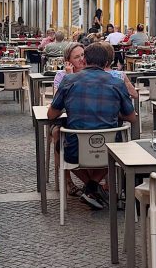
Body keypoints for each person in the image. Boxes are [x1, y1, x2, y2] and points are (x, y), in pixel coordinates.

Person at [48, 41, 137, 210]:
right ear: (106, 63)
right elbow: (131, 118)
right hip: (110, 151)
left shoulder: (68, 80)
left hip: (75, 151)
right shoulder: (116, 83)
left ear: (85, 60)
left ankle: (89, 187)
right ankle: (93, 186)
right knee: (119, 145)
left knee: (61, 147)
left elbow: (51, 115)